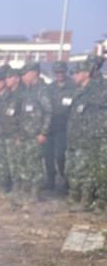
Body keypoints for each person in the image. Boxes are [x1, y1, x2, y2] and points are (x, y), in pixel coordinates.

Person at [65, 56, 106, 211]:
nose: (74, 75)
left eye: (77, 72)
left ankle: (87, 201)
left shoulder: (99, 90)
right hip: (76, 137)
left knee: (88, 171)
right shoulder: (78, 91)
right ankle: (81, 199)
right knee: (74, 170)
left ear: (86, 73)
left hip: (92, 138)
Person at [14, 62, 52, 200]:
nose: (23, 76)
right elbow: (22, 114)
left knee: (35, 162)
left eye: (25, 73)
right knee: (24, 161)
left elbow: (48, 112)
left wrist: (44, 132)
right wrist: (18, 133)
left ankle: (36, 192)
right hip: (25, 134)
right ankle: (26, 189)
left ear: (34, 73)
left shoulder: (42, 90)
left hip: (36, 134)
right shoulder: (27, 90)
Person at [47, 60, 78, 193]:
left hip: (65, 126)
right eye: (57, 72)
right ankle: (50, 181)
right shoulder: (50, 88)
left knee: (60, 155)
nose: (59, 75)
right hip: (50, 125)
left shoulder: (74, 87)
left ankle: (65, 180)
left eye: (61, 72)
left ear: (65, 72)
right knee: (47, 155)